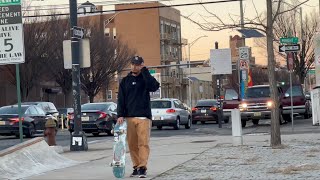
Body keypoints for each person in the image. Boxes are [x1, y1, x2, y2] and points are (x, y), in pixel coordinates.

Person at [117, 55, 160, 178]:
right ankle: (136, 167)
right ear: (130, 65)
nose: (134, 66)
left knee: (143, 143)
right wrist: (120, 115)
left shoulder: (145, 78)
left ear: (141, 65)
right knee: (132, 145)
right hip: (129, 117)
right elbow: (121, 99)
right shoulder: (125, 81)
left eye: (137, 64)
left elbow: (154, 86)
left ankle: (142, 168)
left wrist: (145, 71)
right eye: (133, 64)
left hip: (143, 118)